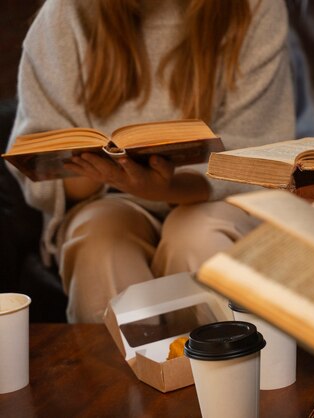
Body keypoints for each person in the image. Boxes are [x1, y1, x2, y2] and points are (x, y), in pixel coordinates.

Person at [6, 0, 294, 323]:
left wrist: (168, 186)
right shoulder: (65, 13)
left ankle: (222, 368)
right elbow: (38, 160)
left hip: (217, 199)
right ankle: (121, 373)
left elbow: (260, 153)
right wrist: (95, 169)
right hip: (109, 200)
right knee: (98, 243)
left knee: (197, 238)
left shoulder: (253, 8)